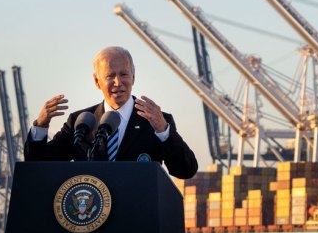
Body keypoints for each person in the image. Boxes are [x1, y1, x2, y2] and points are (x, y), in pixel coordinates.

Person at [24, 45, 198, 179]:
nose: (118, 82)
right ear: (97, 81)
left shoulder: (156, 121)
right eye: (110, 76)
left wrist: (163, 131)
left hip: (139, 218)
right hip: (92, 219)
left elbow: (186, 170)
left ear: (133, 77)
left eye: (124, 74)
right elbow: (38, 167)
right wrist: (41, 125)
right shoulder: (81, 122)